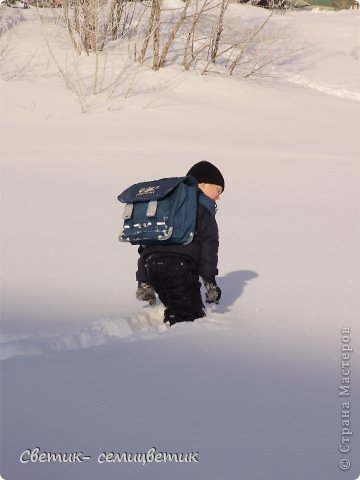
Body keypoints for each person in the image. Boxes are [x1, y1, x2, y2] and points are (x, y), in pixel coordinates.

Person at [135, 161, 224, 326]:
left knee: (177, 307)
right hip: (180, 267)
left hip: (152, 266)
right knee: (190, 316)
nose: (218, 197)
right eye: (218, 190)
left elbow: (146, 242)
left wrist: (144, 279)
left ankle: (170, 332)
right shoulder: (202, 209)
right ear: (202, 185)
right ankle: (173, 345)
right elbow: (209, 246)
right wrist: (210, 281)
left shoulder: (166, 205)